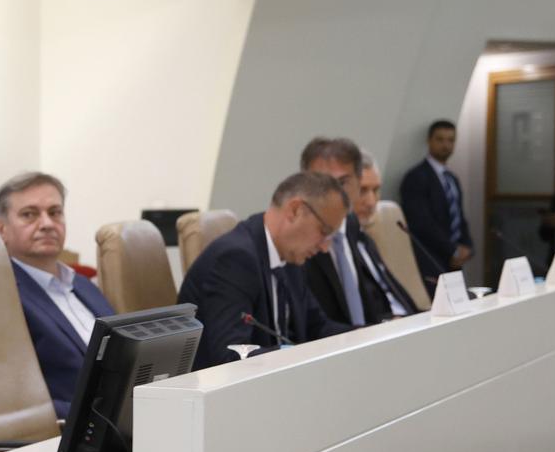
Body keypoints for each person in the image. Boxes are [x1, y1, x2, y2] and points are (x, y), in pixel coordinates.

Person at [177, 172, 352, 369]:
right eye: (324, 231)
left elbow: (318, 327)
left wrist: (372, 334)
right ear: (295, 210)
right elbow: (230, 357)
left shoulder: (291, 256)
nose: (325, 247)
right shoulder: (235, 259)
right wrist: (294, 354)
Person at [0, 171, 115, 418]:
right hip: (77, 428)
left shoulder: (84, 285)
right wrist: (102, 415)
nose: (47, 223)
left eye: (55, 212)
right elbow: (12, 398)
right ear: (2, 229)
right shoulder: (0, 297)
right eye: (29, 214)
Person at [299, 138, 415, 325]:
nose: (370, 202)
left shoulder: (352, 228)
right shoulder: (301, 244)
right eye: (364, 190)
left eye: (343, 183)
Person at [400, 120, 472, 284]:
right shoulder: (416, 177)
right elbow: (421, 223)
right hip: (430, 259)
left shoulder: (452, 179)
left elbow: (459, 217)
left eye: (450, 140)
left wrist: (467, 247)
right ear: (429, 141)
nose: (445, 145)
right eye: (440, 139)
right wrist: (452, 250)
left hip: (455, 262)